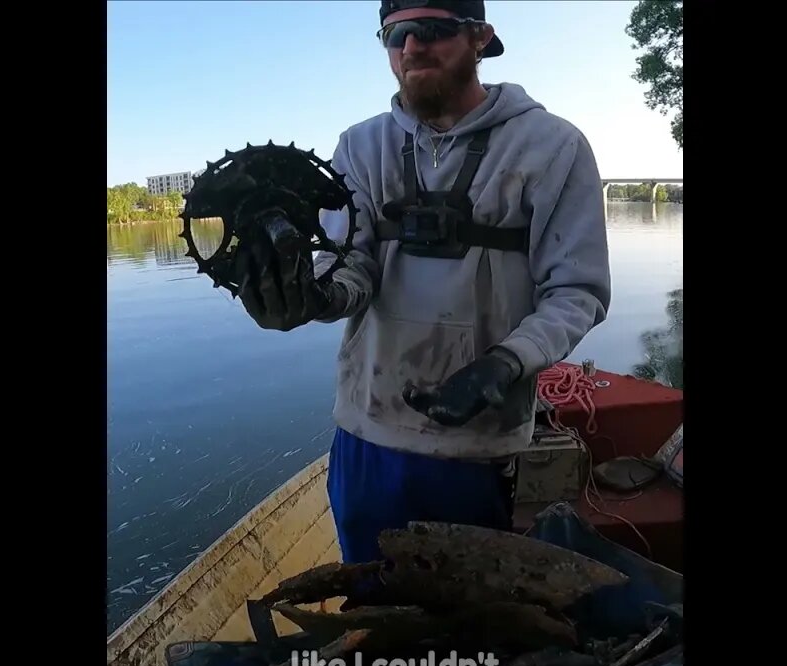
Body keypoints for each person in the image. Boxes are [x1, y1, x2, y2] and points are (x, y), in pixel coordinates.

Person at [234, 0, 611, 563]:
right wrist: (311, 297)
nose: (411, 48)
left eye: (431, 30)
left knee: (466, 618)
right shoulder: (360, 147)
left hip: (478, 446)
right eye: (395, 35)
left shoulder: (553, 147)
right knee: (368, 600)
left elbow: (577, 290)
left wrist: (504, 362)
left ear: (480, 37)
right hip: (366, 433)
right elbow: (349, 267)